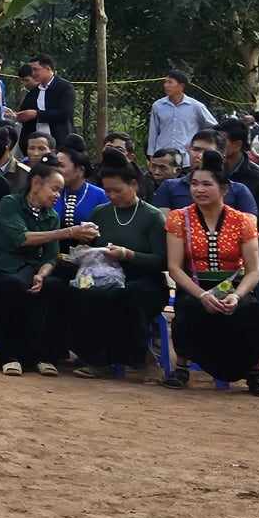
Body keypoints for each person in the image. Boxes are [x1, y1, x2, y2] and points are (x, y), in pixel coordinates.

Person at [0, 163, 89, 376]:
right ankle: (8, 355)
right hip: (1, 270)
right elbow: (22, 238)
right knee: (14, 286)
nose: (58, 195)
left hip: (31, 271)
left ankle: (43, 356)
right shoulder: (10, 203)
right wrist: (69, 232)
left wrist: (42, 274)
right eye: (54, 188)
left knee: (55, 287)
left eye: (61, 191)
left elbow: (50, 256)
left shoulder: (51, 216)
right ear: (36, 183)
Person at [164, 159, 259, 391]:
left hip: (233, 286)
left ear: (224, 188)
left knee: (253, 311)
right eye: (194, 184)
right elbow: (175, 268)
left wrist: (237, 296)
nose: (198, 190)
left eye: (206, 184)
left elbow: (254, 271)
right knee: (188, 307)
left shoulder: (243, 221)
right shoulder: (179, 218)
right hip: (194, 286)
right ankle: (182, 368)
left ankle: (254, 371)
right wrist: (201, 295)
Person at [64, 158, 170, 378]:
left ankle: (139, 359)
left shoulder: (152, 217)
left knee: (128, 296)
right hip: (104, 275)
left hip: (143, 280)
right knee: (80, 293)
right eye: (107, 191)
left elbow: (161, 261)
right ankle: (96, 359)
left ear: (134, 185)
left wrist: (128, 255)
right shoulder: (101, 212)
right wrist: (83, 246)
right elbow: (88, 247)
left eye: (117, 191)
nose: (111, 196)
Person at [147, 71, 217, 163]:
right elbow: (153, 132)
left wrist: (200, 145)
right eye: (165, 82)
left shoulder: (196, 106)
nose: (166, 85)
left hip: (186, 158)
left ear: (181, 86)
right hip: (163, 157)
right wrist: (151, 154)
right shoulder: (158, 106)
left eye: (170, 82)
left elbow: (214, 126)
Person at [16, 53, 75, 148]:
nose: (33, 73)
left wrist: (37, 114)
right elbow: (24, 113)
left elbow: (65, 114)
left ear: (48, 68)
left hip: (59, 142)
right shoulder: (33, 91)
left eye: (35, 69)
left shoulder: (65, 87)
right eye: (31, 70)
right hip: (35, 144)